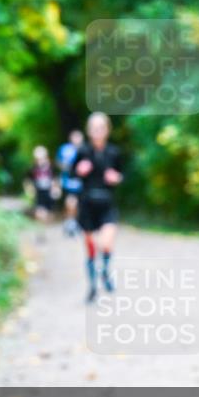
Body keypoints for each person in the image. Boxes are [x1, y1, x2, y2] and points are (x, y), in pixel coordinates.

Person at [73, 112, 122, 303]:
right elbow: (71, 175)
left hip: (107, 204)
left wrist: (116, 178)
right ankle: (92, 286)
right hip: (86, 205)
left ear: (107, 130)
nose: (98, 131)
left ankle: (105, 271)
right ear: (89, 130)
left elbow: (121, 175)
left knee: (106, 244)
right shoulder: (82, 152)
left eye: (101, 127)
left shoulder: (113, 152)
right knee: (91, 248)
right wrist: (78, 170)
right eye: (94, 128)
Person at [57, 130, 84, 237]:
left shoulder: (85, 149)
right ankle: (69, 222)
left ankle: (75, 224)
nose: (77, 140)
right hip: (68, 182)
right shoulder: (65, 149)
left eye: (79, 137)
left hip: (82, 183)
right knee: (71, 202)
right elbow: (58, 162)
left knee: (80, 205)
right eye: (75, 137)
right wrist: (65, 166)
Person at [26, 145, 57, 225]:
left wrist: (55, 189)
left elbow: (55, 178)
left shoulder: (51, 167)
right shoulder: (33, 168)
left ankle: (46, 228)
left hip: (49, 192)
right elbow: (28, 180)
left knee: (49, 215)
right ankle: (41, 231)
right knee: (39, 214)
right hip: (39, 193)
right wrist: (30, 190)